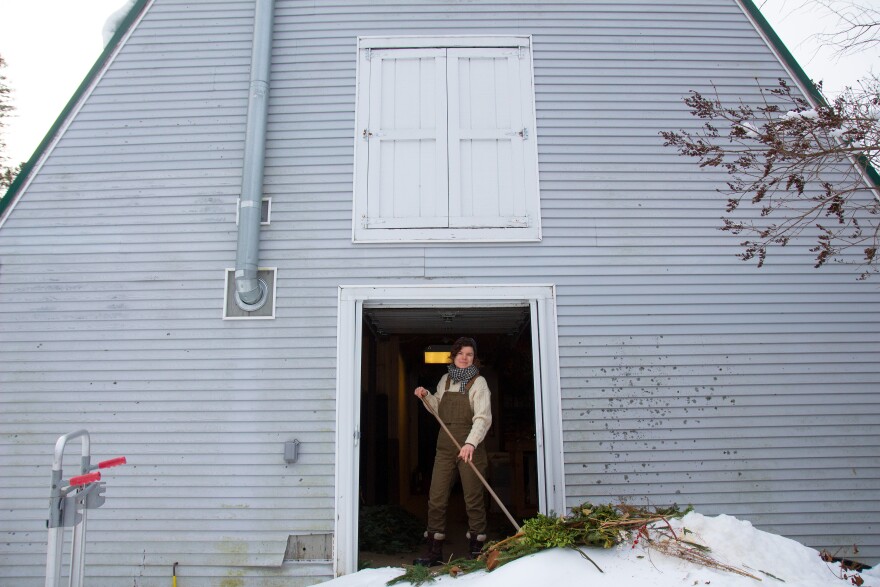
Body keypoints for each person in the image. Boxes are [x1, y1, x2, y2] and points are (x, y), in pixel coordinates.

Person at [413, 336, 492, 565]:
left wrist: (470, 443)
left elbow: (483, 418)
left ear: (473, 357)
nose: (464, 358)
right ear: (454, 356)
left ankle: (477, 552)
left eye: (469, 354)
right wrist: (426, 397)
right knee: (436, 498)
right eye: (460, 354)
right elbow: (437, 409)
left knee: (473, 499)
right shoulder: (445, 380)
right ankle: (434, 553)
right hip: (445, 445)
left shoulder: (479, 383)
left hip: (470, 447)